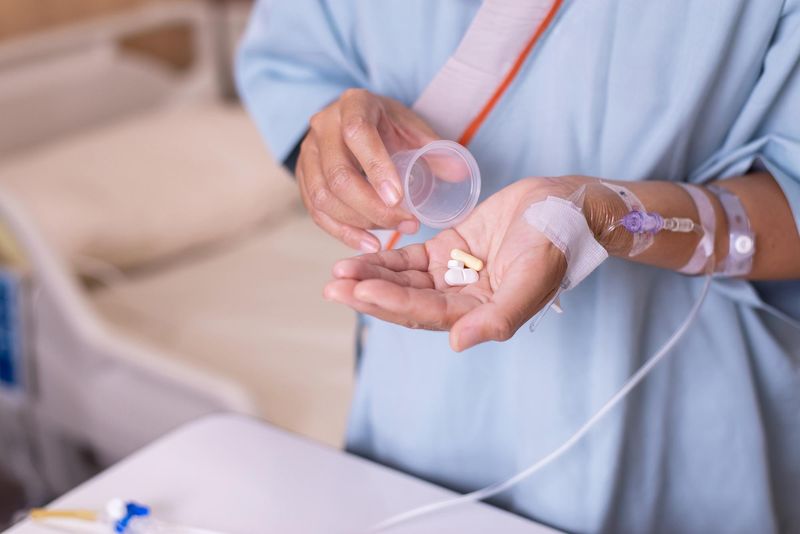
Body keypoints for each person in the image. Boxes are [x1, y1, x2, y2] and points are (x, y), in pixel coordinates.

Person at [236, 1, 800, 532]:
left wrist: (609, 216)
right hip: (425, 395)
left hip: (685, 418)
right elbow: (292, 64)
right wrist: (335, 149)